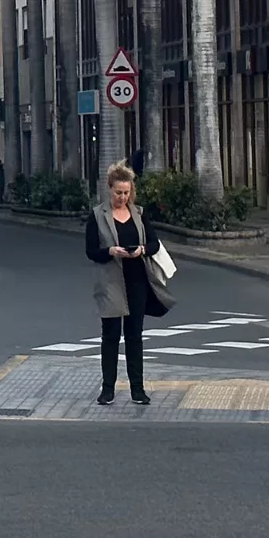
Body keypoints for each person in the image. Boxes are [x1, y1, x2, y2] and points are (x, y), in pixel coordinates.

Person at [86, 162, 174, 405]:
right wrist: (111, 251)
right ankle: (107, 389)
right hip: (111, 282)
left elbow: (155, 244)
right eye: (118, 193)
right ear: (109, 190)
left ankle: (138, 389)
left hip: (137, 280)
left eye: (126, 193)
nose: (122, 197)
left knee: (134, 335)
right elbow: (91, 251)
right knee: (111, 336)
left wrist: (142, 250)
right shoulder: (97, 215)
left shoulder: (140, 214)